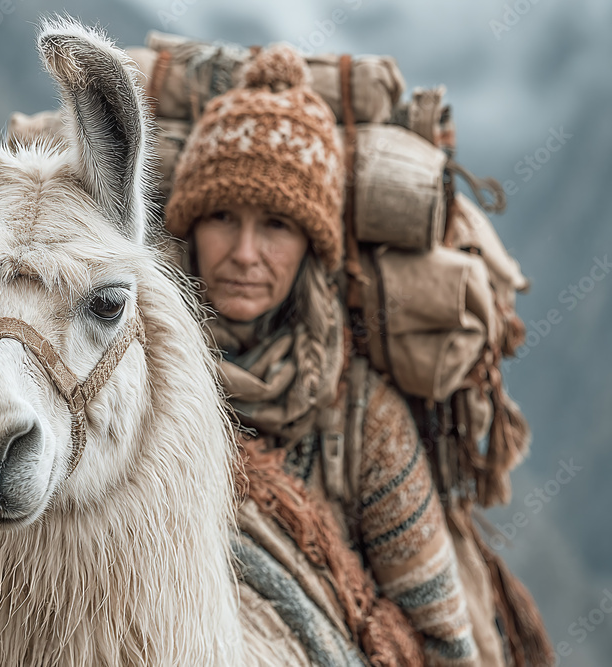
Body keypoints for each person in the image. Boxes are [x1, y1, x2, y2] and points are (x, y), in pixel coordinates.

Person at [164, 44, 480, 666]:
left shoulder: (364, 421)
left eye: (277, 225)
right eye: (222, 216)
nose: (245, 252)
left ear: (312, 246)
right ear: (189, 228)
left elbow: (444, 645)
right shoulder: (139, 392)